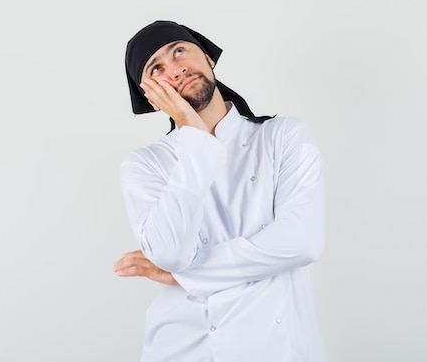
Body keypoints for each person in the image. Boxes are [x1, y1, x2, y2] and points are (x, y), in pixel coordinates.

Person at [113, 20, 326, 362]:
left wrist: (184, 276)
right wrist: (192, 137)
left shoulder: (282, 137)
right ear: (151, 96)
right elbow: (170, 254)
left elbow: (302, 241)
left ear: (209, 58)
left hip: (279, 348)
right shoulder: (145, 164)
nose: (176, 68)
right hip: (184, 349)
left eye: (179, 50)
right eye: (157, 68)